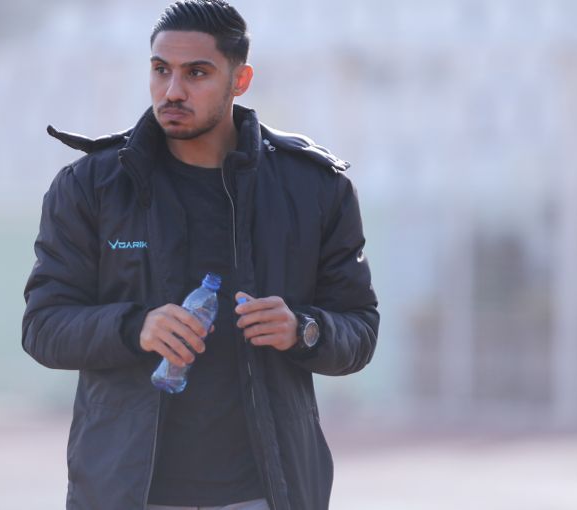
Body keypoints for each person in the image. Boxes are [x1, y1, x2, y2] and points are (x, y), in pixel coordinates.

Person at [22, 1, 379, 509]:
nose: (173, 90)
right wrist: (136, 328)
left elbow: (360, 328)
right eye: (160, 70)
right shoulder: (92, 186)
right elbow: (43, 326)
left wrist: (303, 329)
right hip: (125, 494)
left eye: (196, 73)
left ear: (240, 80)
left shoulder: (314, 188)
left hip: (264, 494)